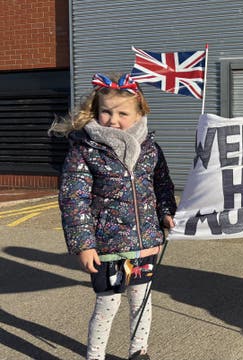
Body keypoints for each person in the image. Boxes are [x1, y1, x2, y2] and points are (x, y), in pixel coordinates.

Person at [50, 73, 177, 360]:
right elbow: (74, 199)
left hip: (145, 243)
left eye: (122, 113)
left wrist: (167, 214)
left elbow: (163, 186)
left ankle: (138, 351)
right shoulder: (84, 150)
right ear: (95, 111)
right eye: (106, 112)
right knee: (107, 306)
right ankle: (95, 356)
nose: (113, 119)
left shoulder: (150, 149)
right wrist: (84, 244)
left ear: (139, 113)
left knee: (141, 302)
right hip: (107, 247)